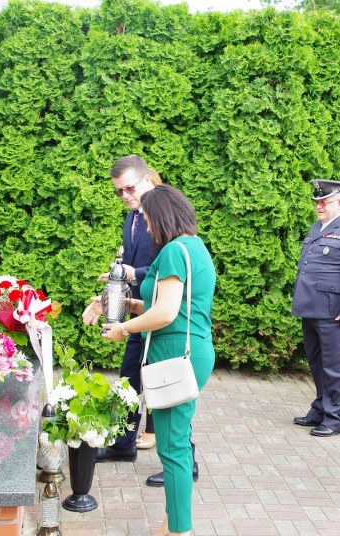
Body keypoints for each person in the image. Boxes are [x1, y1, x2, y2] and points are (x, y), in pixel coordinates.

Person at [100, 184, 216, 536]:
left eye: (149, 219)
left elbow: (166, 314)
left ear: (162, 217)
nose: (147, 228)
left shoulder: (172, 252)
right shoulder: (194, 247)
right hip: (191, 350)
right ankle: (171, 523)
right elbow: (172, 305)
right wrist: (132, 305)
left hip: (174, 354)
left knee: (172, 446)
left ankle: (178, 530)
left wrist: (123, 328)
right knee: (175, 439)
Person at [83, 155, 160, 465]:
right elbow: (125, 269)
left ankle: (185, 458)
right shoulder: (132, 217)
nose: (125, 196)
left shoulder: (163, 215)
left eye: (130, 188)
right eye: (119, 191)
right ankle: (123, 444)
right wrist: (105, 300)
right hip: (138, 313)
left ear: (147, 180)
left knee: (162, 385)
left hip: (160, 313)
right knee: (129, 379)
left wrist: (132, 274)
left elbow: (170, 267)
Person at [291, 180, 340, 438]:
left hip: (335, 313)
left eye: (324, 202)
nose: (319, 206)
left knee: (335, 367)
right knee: (317, 363)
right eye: (317, 202)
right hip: (312, 309)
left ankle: (335, 417)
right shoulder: (317, 227)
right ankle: (320, 408)